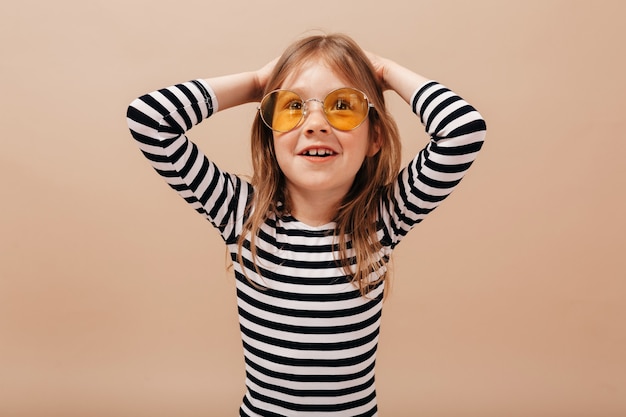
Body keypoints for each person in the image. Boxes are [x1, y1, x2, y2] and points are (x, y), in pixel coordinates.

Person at [126, 33, 486, 417]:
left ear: (374, 137)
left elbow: (463, 130)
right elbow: (149, 119)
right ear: (271, 134)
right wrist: (256, 84)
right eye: (293, 106)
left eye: (343, 105)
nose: (315, 123)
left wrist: (385, 71)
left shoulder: (382, 218)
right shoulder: (241, 213)